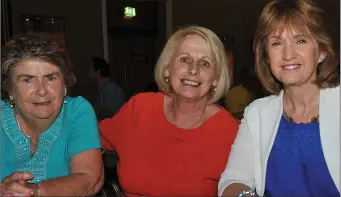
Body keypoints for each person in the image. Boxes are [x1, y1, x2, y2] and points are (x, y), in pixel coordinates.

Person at [99, 25, 239, 196]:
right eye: (185, 60)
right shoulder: (140, 109)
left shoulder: (229, 132)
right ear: (167, 69)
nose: (193, 70)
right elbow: (90, 139)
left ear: (216, 79)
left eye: (204, 63)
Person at [219, 0, 340, 196]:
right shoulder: (256, 114)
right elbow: (233, 179)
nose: (288, 54)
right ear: (267, 57)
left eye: (300, 40)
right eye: (277, 43)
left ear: (322, 52)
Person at [0, 34, 104, 196]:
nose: (41, 90)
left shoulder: (77, 111)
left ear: (64, 86)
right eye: (28, 80)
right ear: (11, 90)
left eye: (50, 78)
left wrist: (34, 191)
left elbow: (88, 180)